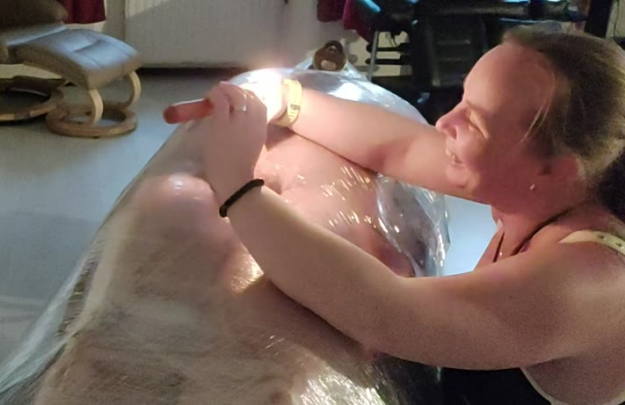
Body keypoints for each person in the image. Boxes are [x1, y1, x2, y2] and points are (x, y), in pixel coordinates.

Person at [187, 26, 625, 404]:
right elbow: (401, 147)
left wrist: (237, 186)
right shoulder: (540, 187)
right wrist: (283, 100)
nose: (445, 123)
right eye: (462, 99)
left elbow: (381, 314)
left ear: (554, 171)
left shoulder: (585, 281)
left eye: (474, 122)